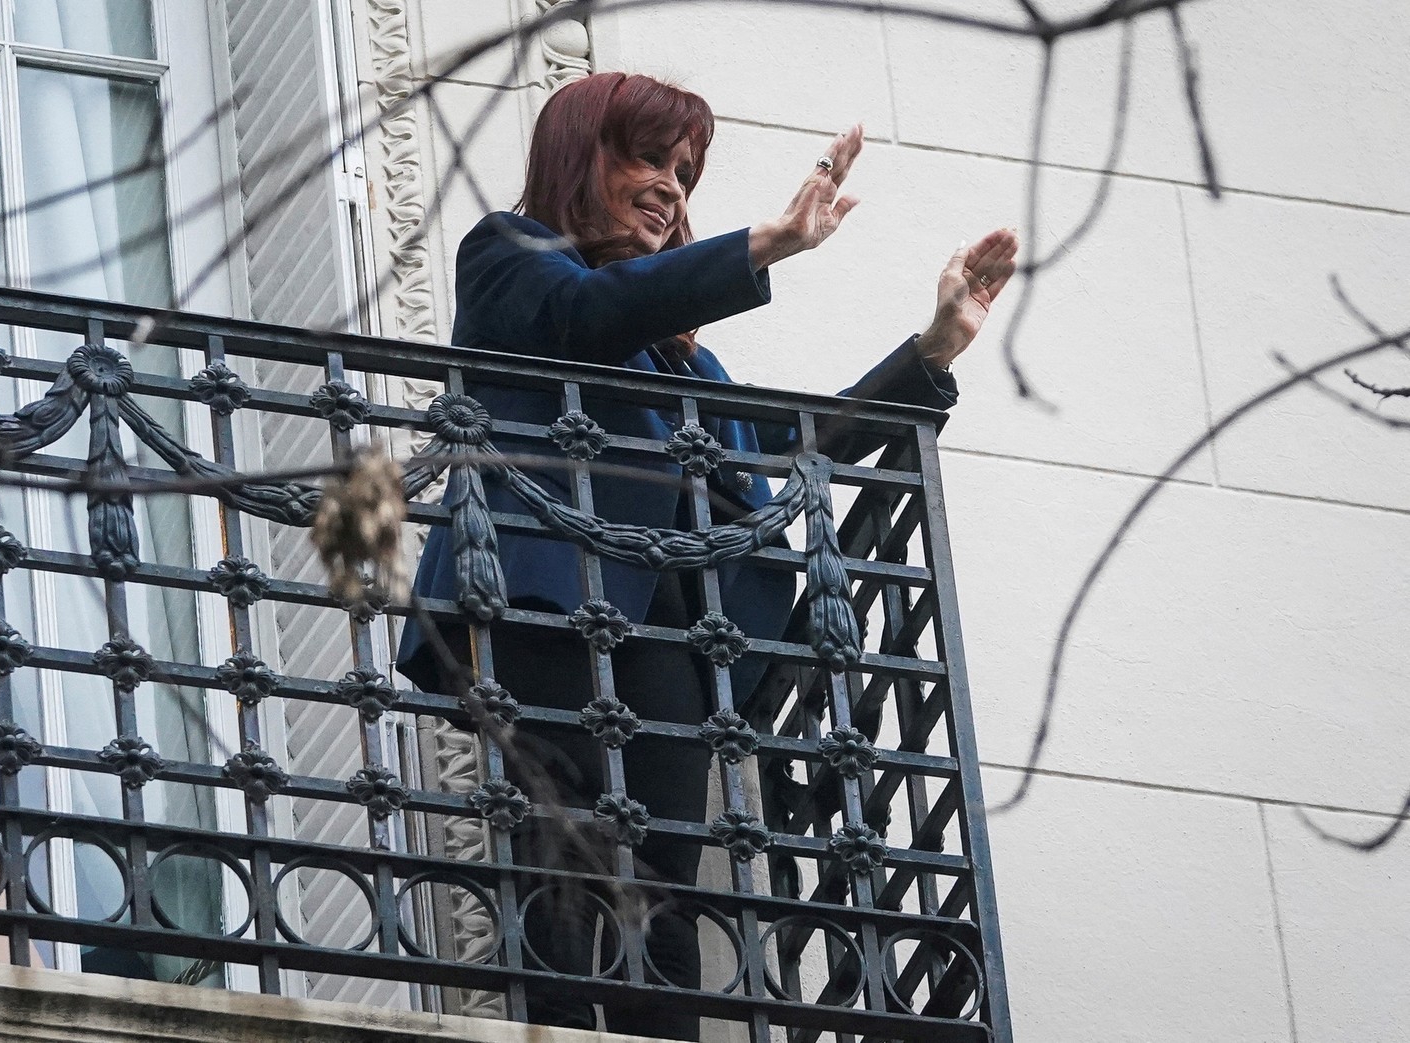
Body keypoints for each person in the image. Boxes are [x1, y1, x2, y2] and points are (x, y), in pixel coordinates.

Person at [396, 72, 1016, 1038]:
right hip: (549, 597)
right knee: (560, 853)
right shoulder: (510, 256)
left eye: (684, 171)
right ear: (579, 158)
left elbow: (788, 455)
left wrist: (929, 353)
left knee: (662, 884)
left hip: (683, 636)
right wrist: (770, 243)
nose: (671, 187)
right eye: (647, 158)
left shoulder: (685, 359)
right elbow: (582, 318)